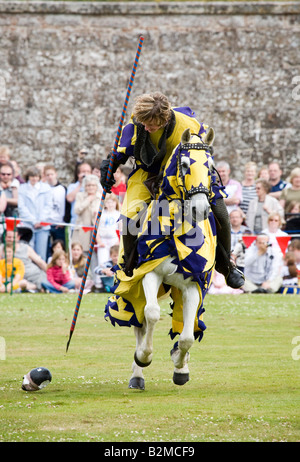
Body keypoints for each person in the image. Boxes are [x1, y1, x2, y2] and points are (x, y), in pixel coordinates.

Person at [100, 91, 244, 288]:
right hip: (146, 175)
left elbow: (203, 148)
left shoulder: (187, 125)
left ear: (164, 119)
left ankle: (226, 265)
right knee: (129, 218)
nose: (146, 127)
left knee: (220, 212)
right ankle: (129, 267)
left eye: (151, 125)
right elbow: (121, 151)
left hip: (184, 176)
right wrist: (109, 166)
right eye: (144, 123)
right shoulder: (137, 125)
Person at [18, 167, 52, 262]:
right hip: (28, 225)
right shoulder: (22, 189)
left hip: (42, 226)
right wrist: (33, 221)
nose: (34, 179)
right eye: (32, 176)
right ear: (28, 177)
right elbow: (22, 207)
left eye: (36, 176)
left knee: (41, 253)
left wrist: (40, 221)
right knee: (28, 251)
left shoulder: (46, 188)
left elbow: (48, 206)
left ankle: (42, 274)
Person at [1, 228, 48, 292]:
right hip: (13, 276)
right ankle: (31, 288)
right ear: (5, 238)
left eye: (14, 237)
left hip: (32, 274)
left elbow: (40, 262)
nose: (11, 239)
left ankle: (34, 287)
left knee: (44, 281)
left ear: (18, 237)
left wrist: (51, 272)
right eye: (9, 237)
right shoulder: (1, 248)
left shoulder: (25, 248)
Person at [71, 174, 102, 254]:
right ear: (85, 186)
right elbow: (77, 210)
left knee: (95, 254)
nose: (90, 187)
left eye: (93, 185)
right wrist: (88, 200)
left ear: (96, 186)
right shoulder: (80, 195)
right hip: (82, 230)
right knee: (81, 252)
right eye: (88, 185)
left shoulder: (100, 197)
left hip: (97, 230)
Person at [44, 165, 70, 257]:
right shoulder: (43, 188)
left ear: (56, 174)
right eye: (47, 175)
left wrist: (64, 221)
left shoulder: (62, 188)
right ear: (45, 176)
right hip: (46, 223)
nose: (50, 177)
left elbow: (67, 206)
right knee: (46, 248)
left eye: (52, 174)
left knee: (60, 247)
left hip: (59, 224)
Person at [96, 193, 120, 267]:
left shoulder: (119, 214)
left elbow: (122, 229)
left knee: (115, 261)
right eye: (108, 202)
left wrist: (118, 241)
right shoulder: (101, 214)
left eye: (112, 202)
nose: (110, 204)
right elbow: (96, 229)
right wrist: (99, 241)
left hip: (114, 240)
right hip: (103, 241)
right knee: (102, 263)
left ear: (116, 203)